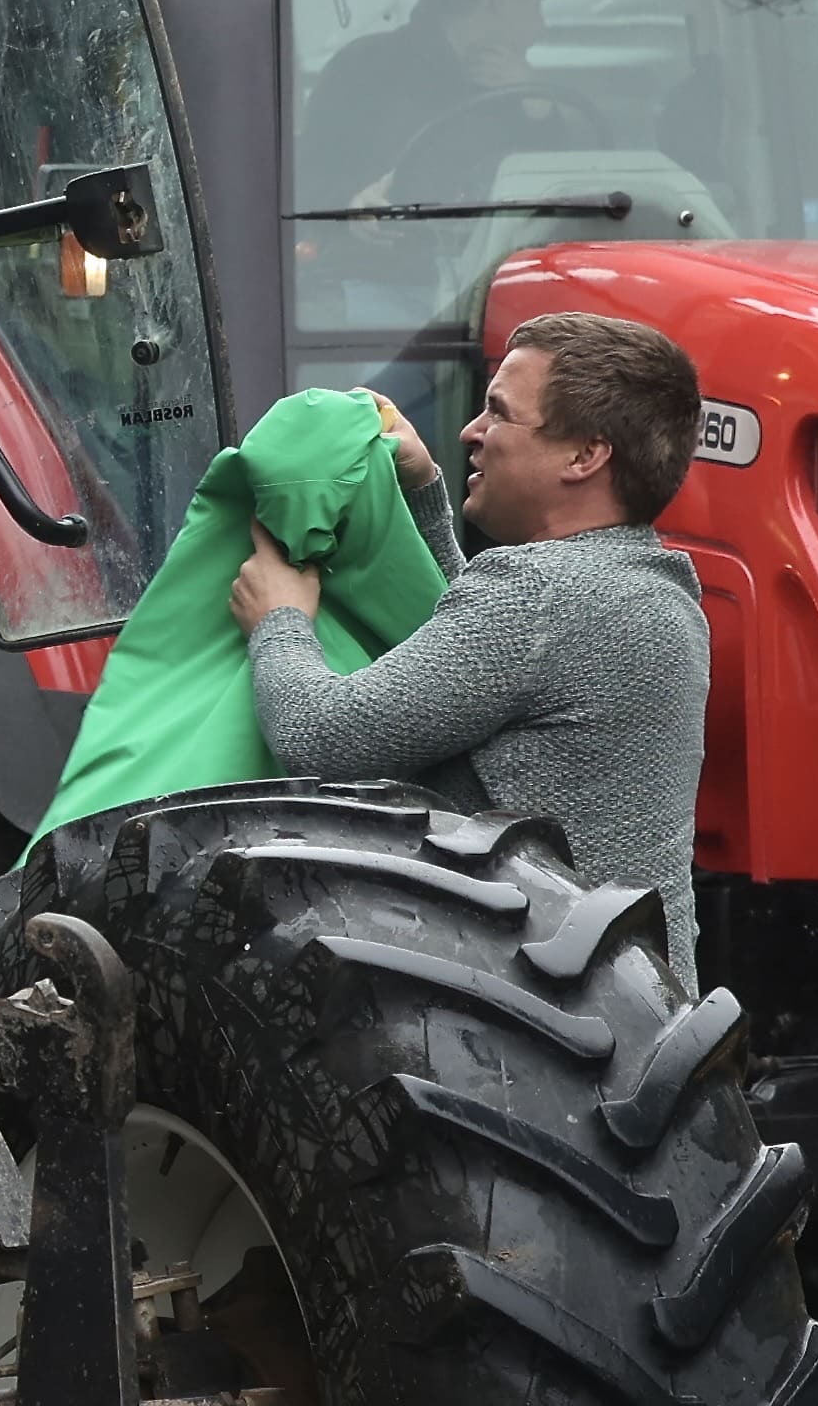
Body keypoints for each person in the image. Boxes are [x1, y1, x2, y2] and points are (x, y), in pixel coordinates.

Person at [228, 311, 714, 982]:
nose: (469, 433)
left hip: (553, 1028)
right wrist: (426, 495)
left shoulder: (540, 597)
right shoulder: (648, 587)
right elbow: (496, 661)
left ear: (584, 456)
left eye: (496, 413)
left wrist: (277, 618)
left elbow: (317, 735)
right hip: (635, 1009)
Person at [298, 0, 597, 210]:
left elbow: (557, 204)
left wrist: (538, 107)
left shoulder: (520, 90)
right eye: (537, 2)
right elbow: (304, 182)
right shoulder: (359, 71)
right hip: (384, 254)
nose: (540, 26)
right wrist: (354, 204)